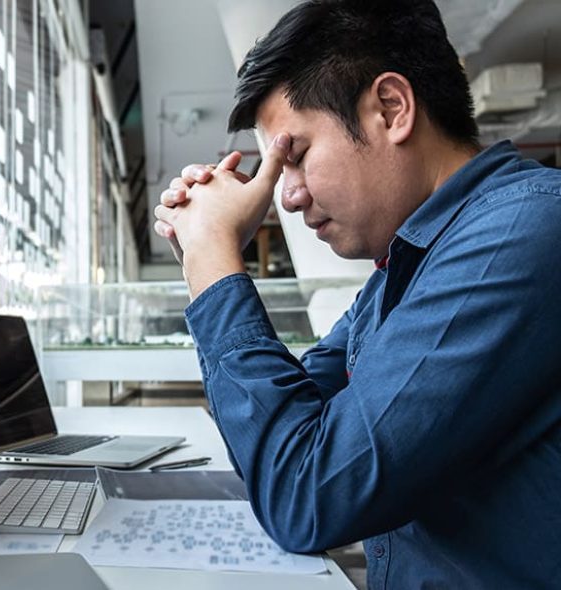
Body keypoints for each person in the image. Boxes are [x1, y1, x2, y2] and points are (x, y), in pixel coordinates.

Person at [153, 0, 561, 587]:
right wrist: (202, 258)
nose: (286, 198)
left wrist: (215, 258)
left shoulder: (522, 233)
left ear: (390, 109)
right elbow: (295, 428)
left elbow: (307, 494)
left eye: (295, 158)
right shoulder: (410, 261)